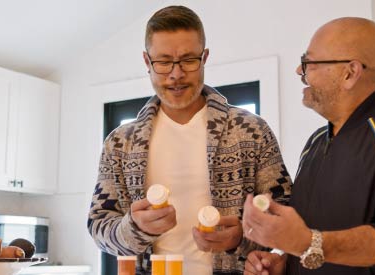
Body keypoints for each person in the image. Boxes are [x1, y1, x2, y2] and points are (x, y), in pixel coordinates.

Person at [242, 17, 375, 275]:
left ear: (349, 73)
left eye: (309, 62)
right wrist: (287, 264)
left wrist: (306, 243)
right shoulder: (314, 144)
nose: (300, 72)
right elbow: (312, 242)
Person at [87, 6, 292, 275]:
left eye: (188, 60)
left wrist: (241, 237)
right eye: (163, 61)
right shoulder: (120, 143)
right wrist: (135, 228)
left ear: (204, 57)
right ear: (147, 62)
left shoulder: (252, 131)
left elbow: (285, 212)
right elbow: (98, 227)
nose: (176, 74)